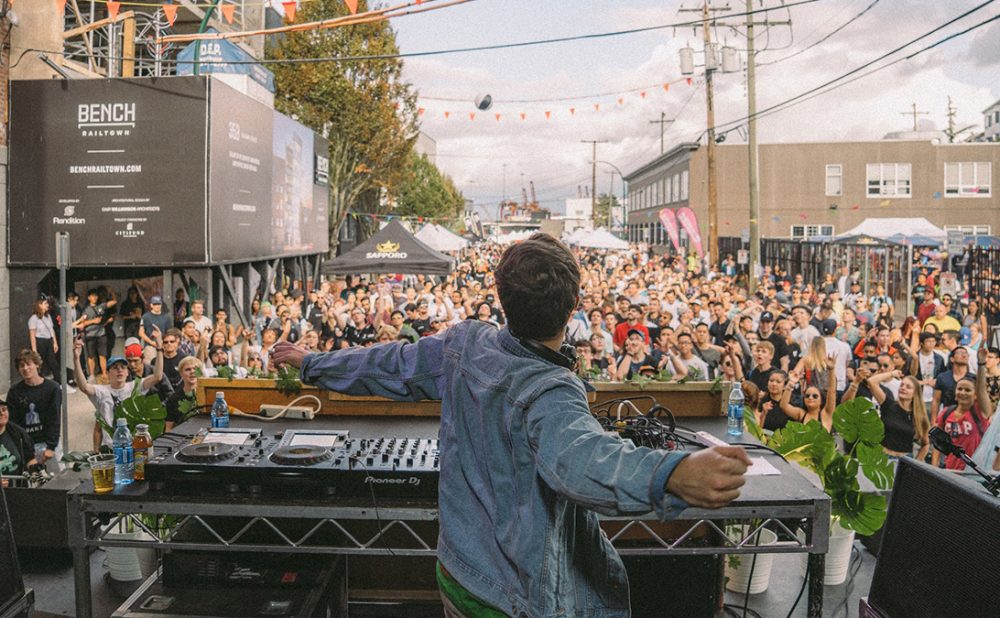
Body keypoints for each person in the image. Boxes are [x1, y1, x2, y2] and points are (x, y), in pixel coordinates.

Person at [271, 233, 750, 617]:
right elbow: (582, 461)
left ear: (502, 298)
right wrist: (671, 473)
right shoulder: (551, 390)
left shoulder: (463, 344)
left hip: (458, 573)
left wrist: (312, 362)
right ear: (574, 304)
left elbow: (390, 364)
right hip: (511, 597)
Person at [75, 328, 164, 450]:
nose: (119, 370)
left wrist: (159, 347)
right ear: (108, 372)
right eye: (115, 367)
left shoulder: (135, 386)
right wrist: (76, 359)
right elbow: (84, 387)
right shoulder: (102, 391)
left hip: (134, 446)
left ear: (127, 373)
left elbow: (157, 376)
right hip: (111, 448)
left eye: (123, 367)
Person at [931, 348, 992, 470]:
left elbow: (982, 390)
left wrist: (981, 364)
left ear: (975, 395)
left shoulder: (980, 413)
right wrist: (933, 469)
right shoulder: (946, 412)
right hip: (950, 471)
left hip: (974, 472)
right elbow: (938, 445)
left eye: (968, 390)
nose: (963, 392)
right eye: (960, 389)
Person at [6, 350, 62, 470]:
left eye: (29, 364)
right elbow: (13, 423)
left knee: (58, 477)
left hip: (47, 442)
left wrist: (51, 446)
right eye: (22, 366)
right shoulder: (15, 392)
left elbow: (54, 418)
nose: (25, 368)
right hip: (27, 446)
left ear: (37, 364)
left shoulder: (52, 388)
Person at [865, 374, 930, 460]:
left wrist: (917, 462)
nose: (903, 388)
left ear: (915, 393)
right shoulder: (888, 404)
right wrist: (892, 373)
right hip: (882, 457)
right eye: (901, 385)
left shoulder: (919, 416)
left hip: (905, 461)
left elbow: (925, 444)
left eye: (908, 387)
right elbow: (871, 381)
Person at [0, 400, 34, 484]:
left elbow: (30, 458)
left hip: (18, 488)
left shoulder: (18, 433)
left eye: (4, 409)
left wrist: (35, 471)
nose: (1, 413)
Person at [165, 356, 202, 430]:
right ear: (181, 373)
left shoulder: (208, 395)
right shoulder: (173, 399)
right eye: (188, 369)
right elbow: (168, 428)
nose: (192, 371)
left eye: (195, 369)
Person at [28, 297, 59, 379]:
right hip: (40, 341)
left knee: (53, 362)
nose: (47, 305)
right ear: (39, 305)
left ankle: (59, 380)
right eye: (45, 303)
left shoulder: (48, 316)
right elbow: (32, 335)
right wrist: (34, 350)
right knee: (39, 363)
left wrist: (55, 342)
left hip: (49, 341)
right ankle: (38, 379)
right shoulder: (33, 319)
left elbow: (52, 330)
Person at [139, 296, 172, 362]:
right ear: (151, 305)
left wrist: (163, 342)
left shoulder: (166, 317)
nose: (157, 306)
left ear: (161, 305)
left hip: (163, 346)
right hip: (150, 346)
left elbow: (169, 332)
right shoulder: (145, 317)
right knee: (149, 364)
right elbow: (141, 333)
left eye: (159, 304)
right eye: (155, 304)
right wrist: (151, 342)